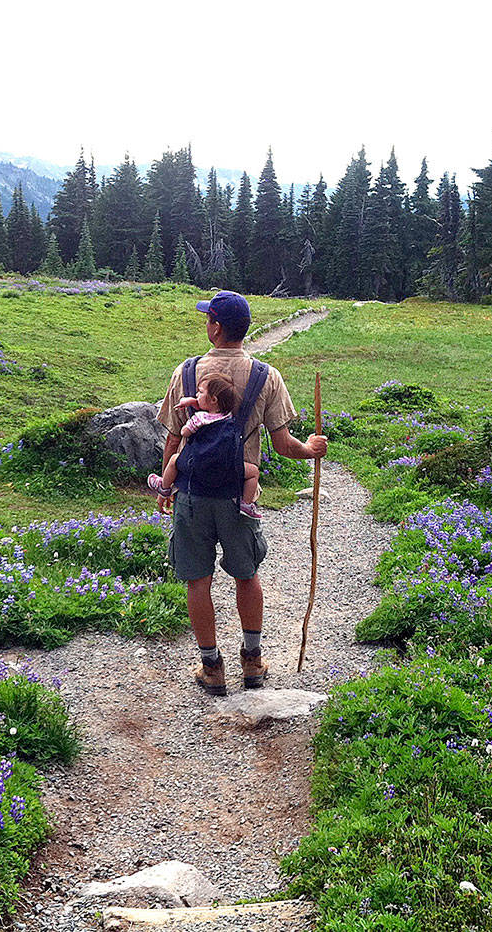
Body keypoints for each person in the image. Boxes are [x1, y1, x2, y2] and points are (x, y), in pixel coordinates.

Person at [156, 290, 328, 696]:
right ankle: (252, 662)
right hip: (240, 498)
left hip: (193, 495)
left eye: (207, 319)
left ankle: (211, 667)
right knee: (246, 575)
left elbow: (172, 439)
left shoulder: (185, 373)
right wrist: (312, 449)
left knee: (197, 579)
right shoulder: (267, 377)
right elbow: (285, 445)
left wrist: (166, 486)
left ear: (216, 327)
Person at [146, 372, 263, 520]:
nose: (196, 395)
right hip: (226, 467)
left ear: (213, 399)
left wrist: (193, 409)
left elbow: (185, 432)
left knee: (175, 459)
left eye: (200, 392)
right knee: (253, 472)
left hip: (198, 465)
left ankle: (164, 487)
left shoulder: (199, 418)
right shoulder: (229, 415)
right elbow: (214, 410)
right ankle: (245, 504)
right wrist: (197, 402)